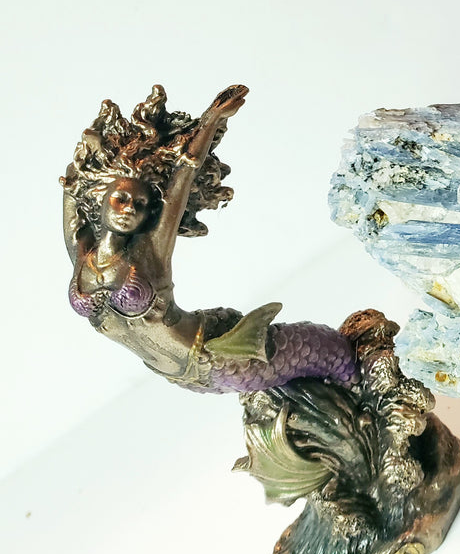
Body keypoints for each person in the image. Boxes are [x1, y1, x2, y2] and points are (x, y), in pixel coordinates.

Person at [62, 84, 361, 392]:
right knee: (294, 394)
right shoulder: (83, 255)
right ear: (101, 198)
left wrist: (212, 121)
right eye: (120, 199)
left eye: (140, 204)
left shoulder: (149, 251)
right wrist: (87, 149)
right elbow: (71, 190)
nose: (129, 209)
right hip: (183, 377)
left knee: (330, 354)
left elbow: (182, 179)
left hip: (218, 356)